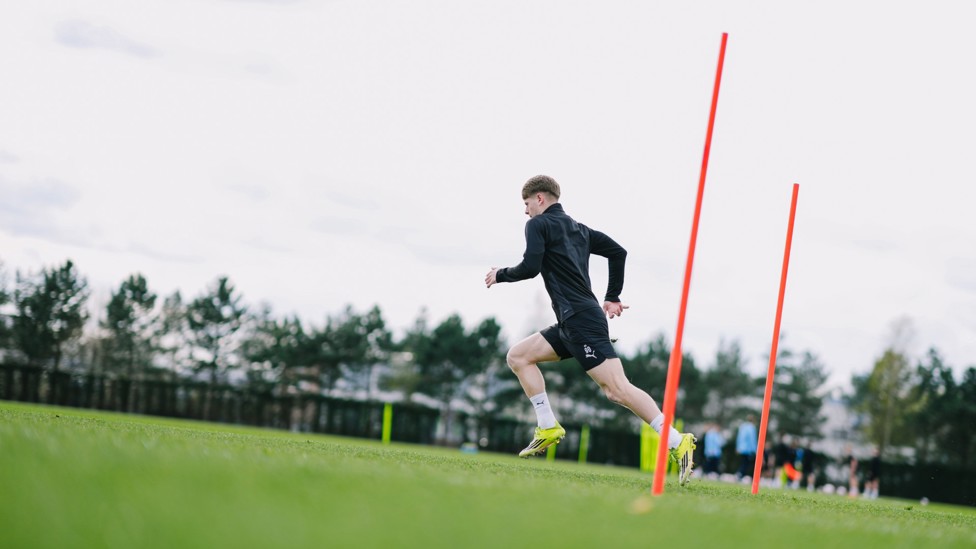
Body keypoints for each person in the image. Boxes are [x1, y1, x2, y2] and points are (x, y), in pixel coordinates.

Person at [485, 175, 697, 485]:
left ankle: (678, 442)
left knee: (617, 390)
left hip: (582, 320)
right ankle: (547, 426)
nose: (526, 211)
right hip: (572, 321)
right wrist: (612, 295)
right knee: (518, 356)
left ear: (540, 199)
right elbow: (618, 252)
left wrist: (499, 274)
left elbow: (530, 267)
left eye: (527, 204)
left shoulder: (537, 225)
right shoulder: (580, 230)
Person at [735, 414, 758, 480]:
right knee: (746, 463)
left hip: (741, 448)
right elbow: (752, 439)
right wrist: (754, 450)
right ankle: (740, 475)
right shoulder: (752, 427)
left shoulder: (743, 427)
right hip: (748, 449)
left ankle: (739, 474)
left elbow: (739, 438)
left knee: (743, 462)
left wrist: (738, 447)